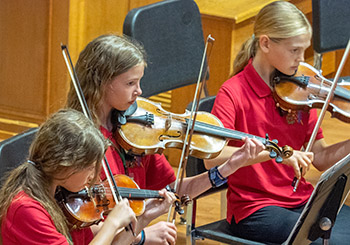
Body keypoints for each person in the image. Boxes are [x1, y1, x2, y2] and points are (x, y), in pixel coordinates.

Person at [66, 34, 265, 244]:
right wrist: (141, 236)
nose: (139, 91)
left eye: (139, 81)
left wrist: (227, 168)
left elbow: (174, 191)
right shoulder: (78, 141)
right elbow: (82, 227)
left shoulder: (137, 133)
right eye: (131, 83)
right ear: (102, 82)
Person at [204, 1, 350, 244]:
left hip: (302, 199)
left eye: (304, 50)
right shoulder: (234, 92)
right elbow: (211, 157)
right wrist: (274, 153)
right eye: (294, 50)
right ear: (265, 43)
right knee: (325, 240)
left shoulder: (303, 92)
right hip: (254, 208)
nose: (302, 59)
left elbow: (321, 158)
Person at [0, 109, 145, 244]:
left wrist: (144, 218)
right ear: (65, 165)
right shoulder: (26, 210)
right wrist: (112, 223)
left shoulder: (62, 195)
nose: (94, 177)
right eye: (89, 167)